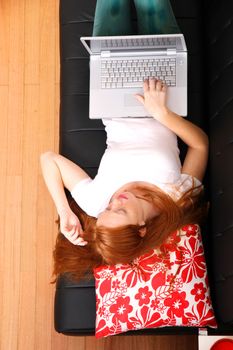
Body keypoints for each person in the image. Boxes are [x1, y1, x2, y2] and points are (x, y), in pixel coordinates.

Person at [40, 0, 209, 281]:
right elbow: (200, 144)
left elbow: (49, 160)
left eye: (109, 209)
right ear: (141, 227)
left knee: (111, 5)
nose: (116, 201)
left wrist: (64, 209)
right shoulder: (175, 199)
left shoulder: (95, 202)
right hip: (162, 93)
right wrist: (162, 114)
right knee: (152, 6)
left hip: (114, 95)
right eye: (122, 210)